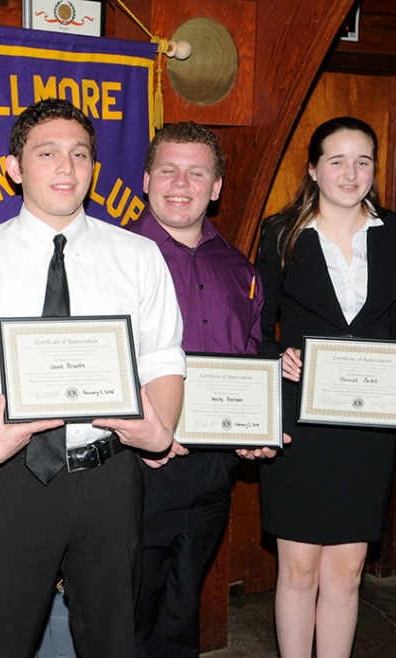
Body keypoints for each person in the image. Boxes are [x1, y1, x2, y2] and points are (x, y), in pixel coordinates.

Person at [0, 98, 186, 657]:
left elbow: (164, 355)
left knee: (112, 640)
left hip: (110, 474)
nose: (66, 168)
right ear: (15, 168)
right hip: (12, 477)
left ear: (94, 166)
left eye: (80, 154)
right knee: (6, 640)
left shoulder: (138, 256)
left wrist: (159, 431)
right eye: (47, 154)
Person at [256, 116, 396, 658]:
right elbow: (256, 330)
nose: (350, 172)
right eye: (337, 159)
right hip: (302, 424)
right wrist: (277, 355)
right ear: (313, 168)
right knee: (300, 569)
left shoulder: (395, 232)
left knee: (348, 571)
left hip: (368, 424)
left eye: (363, 161)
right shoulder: (280, 231)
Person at [129, 121, 274, 657]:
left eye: (197, 172)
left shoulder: (240, 268)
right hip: (138, 467)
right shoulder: (115, 259)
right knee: (132, 612)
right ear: (146, 179)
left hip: (213, 467)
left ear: (216, 187)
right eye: (168, 170)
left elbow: (253, 355)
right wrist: (149, 430)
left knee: (184, 606)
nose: (181, 183)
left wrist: (259, 426)